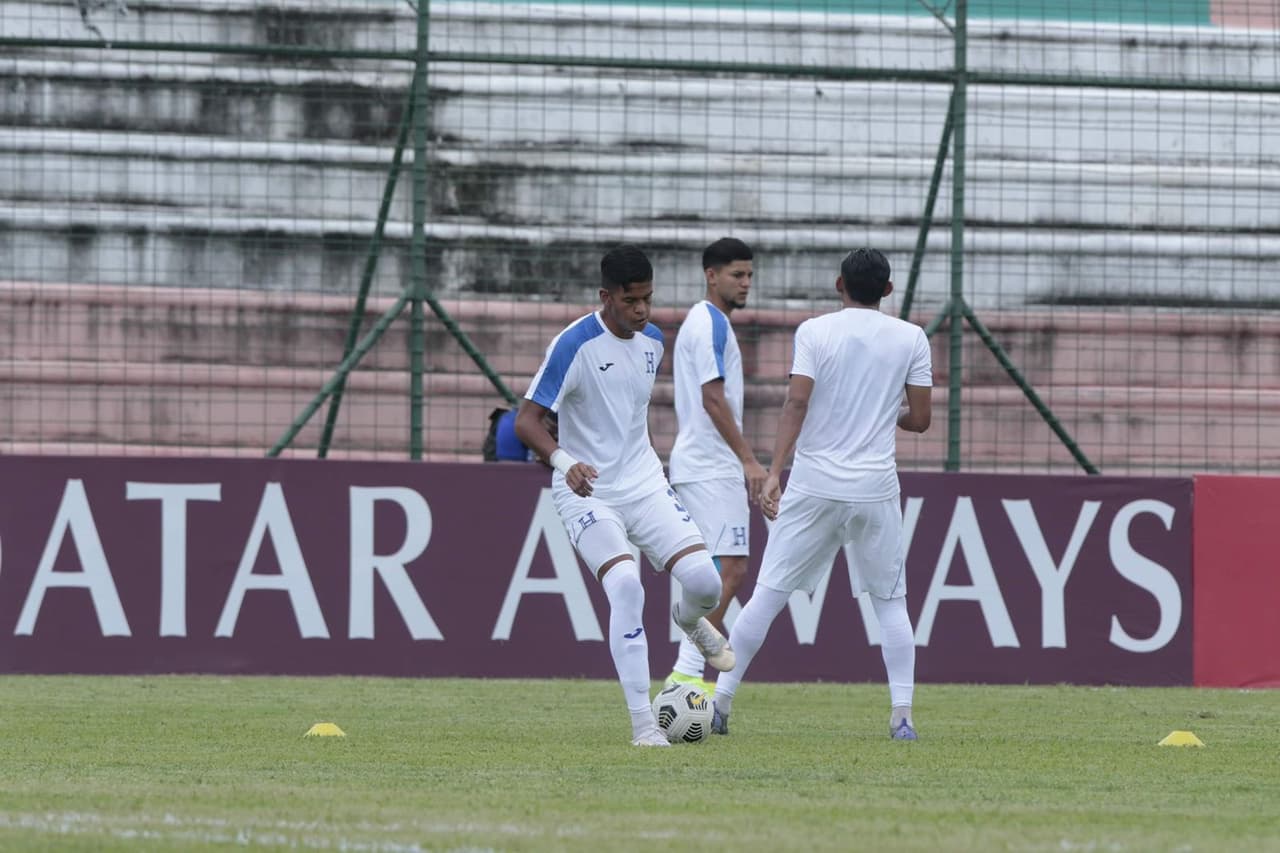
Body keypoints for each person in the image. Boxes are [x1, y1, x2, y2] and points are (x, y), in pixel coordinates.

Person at [514, 244, 737, 748]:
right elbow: (525, 421)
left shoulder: (653, 342)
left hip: (644, 484)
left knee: (706, 582)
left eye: (648, 299)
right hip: (587, 491)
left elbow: (627, 421)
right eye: (631, 300)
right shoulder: (573, 345)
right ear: (606, 296)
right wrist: (565, 462)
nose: (642, 310)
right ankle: (643, 725)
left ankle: (688, 620)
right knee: (627, 589)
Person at [709, 247, 933, 741]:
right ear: (889, 291)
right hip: (875, 486)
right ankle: (902, 717)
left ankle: (721, 704)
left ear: (839, 285)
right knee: (891, 603)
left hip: (814, 483)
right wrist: (883, 414)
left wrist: (774, 472)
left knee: (768, 594)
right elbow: (920, 419)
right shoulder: (912, 337)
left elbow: (798, 400)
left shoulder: (814, 331)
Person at [664, 238, 768, 696]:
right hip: (710, 465)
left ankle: (699, 680)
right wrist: (748, 460)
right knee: (733, 569)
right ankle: (686, 676)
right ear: (712, 275)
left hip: (701, 462)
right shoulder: (709, 324)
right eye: (736, 275)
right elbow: (711, 397)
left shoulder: (708, 322)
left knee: (717, 573)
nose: (745, 283)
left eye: (749, 275)